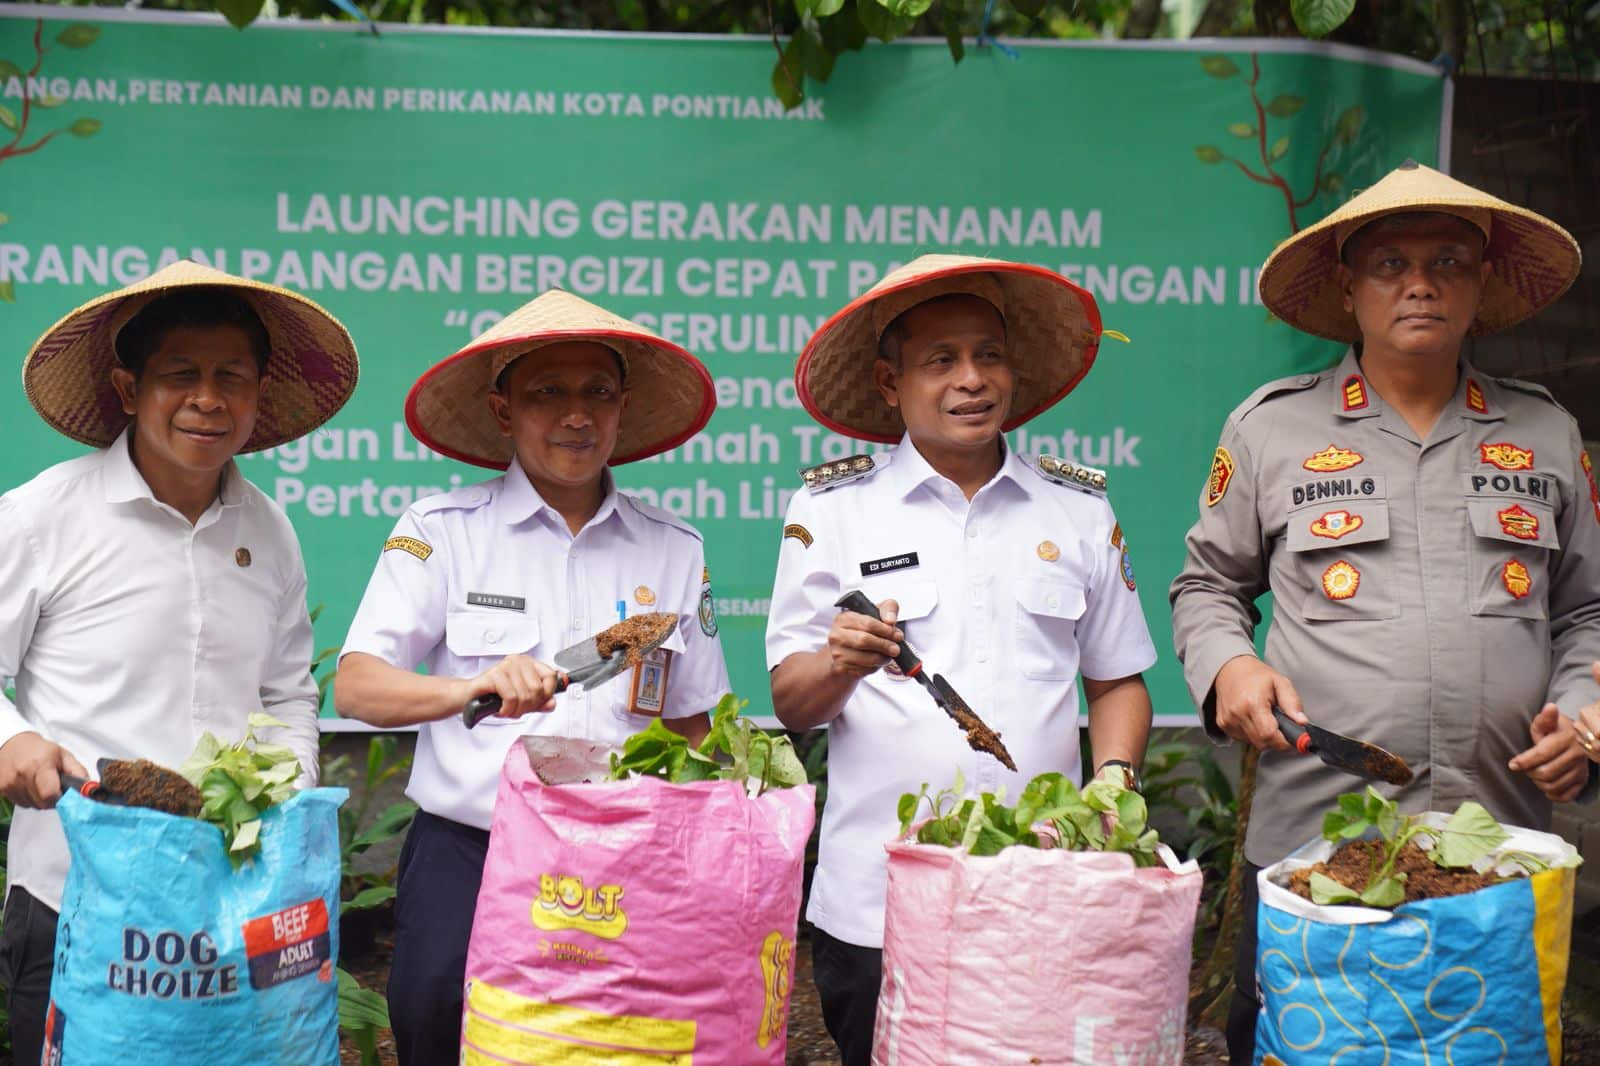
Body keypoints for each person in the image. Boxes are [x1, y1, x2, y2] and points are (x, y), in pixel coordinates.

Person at [1168, 161, 1600, 1064]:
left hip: (1499, 844)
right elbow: (1207, 586)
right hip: (1314, 846)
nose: (1420, 282)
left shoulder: (1546, 433)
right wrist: (1232, 668)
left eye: (1448, 261)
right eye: (1390, 262)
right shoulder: (1271, 428)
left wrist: (1590, 707)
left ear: (1480, 285)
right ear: (1349, 288)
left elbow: (1586, 614)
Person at [766, 254, 1158, 1065]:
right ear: (888, 382)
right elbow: (793, 702)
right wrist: (840, 665)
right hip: (878, 900)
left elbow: (1117, 679)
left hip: (1042, 887)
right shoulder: (833, 509)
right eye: (941, 360)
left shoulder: (1077, 507)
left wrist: (1114, 780)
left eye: (989, 355)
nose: (971, 380)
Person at [333, 288, 731, 1064]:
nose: (575, 414)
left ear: (621, 410)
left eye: (597, 393)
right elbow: (356, 685)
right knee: (438, 1028)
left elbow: (694, 723)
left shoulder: (673, 548)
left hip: (624, 858)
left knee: (608, 1047)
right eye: (547, 392)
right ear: (504, 409)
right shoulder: (442, 532)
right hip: (472, 851)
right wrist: (469, 688)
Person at [0, 260, 359, 1064]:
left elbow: (287, 690)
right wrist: (9, 741)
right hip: (77, 900)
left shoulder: (269, 530)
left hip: (231, 908)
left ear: (259, 392)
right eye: (181, 376)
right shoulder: (40, 518)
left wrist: (286, 795)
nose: (209, 399)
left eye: (232, 376)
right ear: (129, 390)